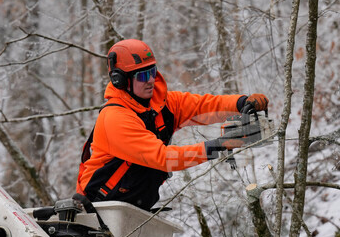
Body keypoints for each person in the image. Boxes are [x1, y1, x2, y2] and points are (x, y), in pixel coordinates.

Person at [77, 39, 268, 210]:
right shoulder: (115, 118)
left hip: (132, 207)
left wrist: (241, 103)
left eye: (152, 72)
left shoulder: (163, 103)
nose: (150, 80)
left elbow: (204, 107)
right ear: (121, 81)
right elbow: (164, 158)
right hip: (100, 208)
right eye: (142, 76)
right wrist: (219, 145)